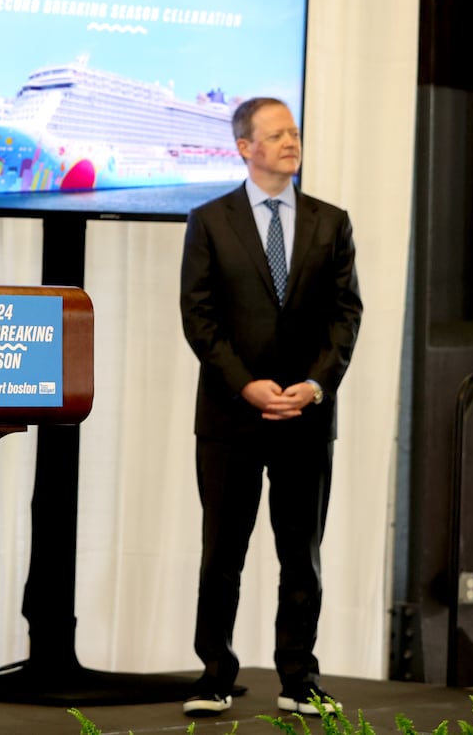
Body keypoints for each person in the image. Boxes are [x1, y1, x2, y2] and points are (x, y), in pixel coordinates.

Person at [178, 97, 362, 718]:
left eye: (295, 132)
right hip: (231, 418)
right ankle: (213, 676)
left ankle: (299, 679)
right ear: (244, 147)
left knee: (301, 554)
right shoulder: (209, 220)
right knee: (221, 553)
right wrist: (245, 384)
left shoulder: (331, 222)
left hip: (306, 417)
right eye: (277, 133)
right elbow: (198, 319)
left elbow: (346, 316)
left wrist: (314, 385)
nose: (291, 141)